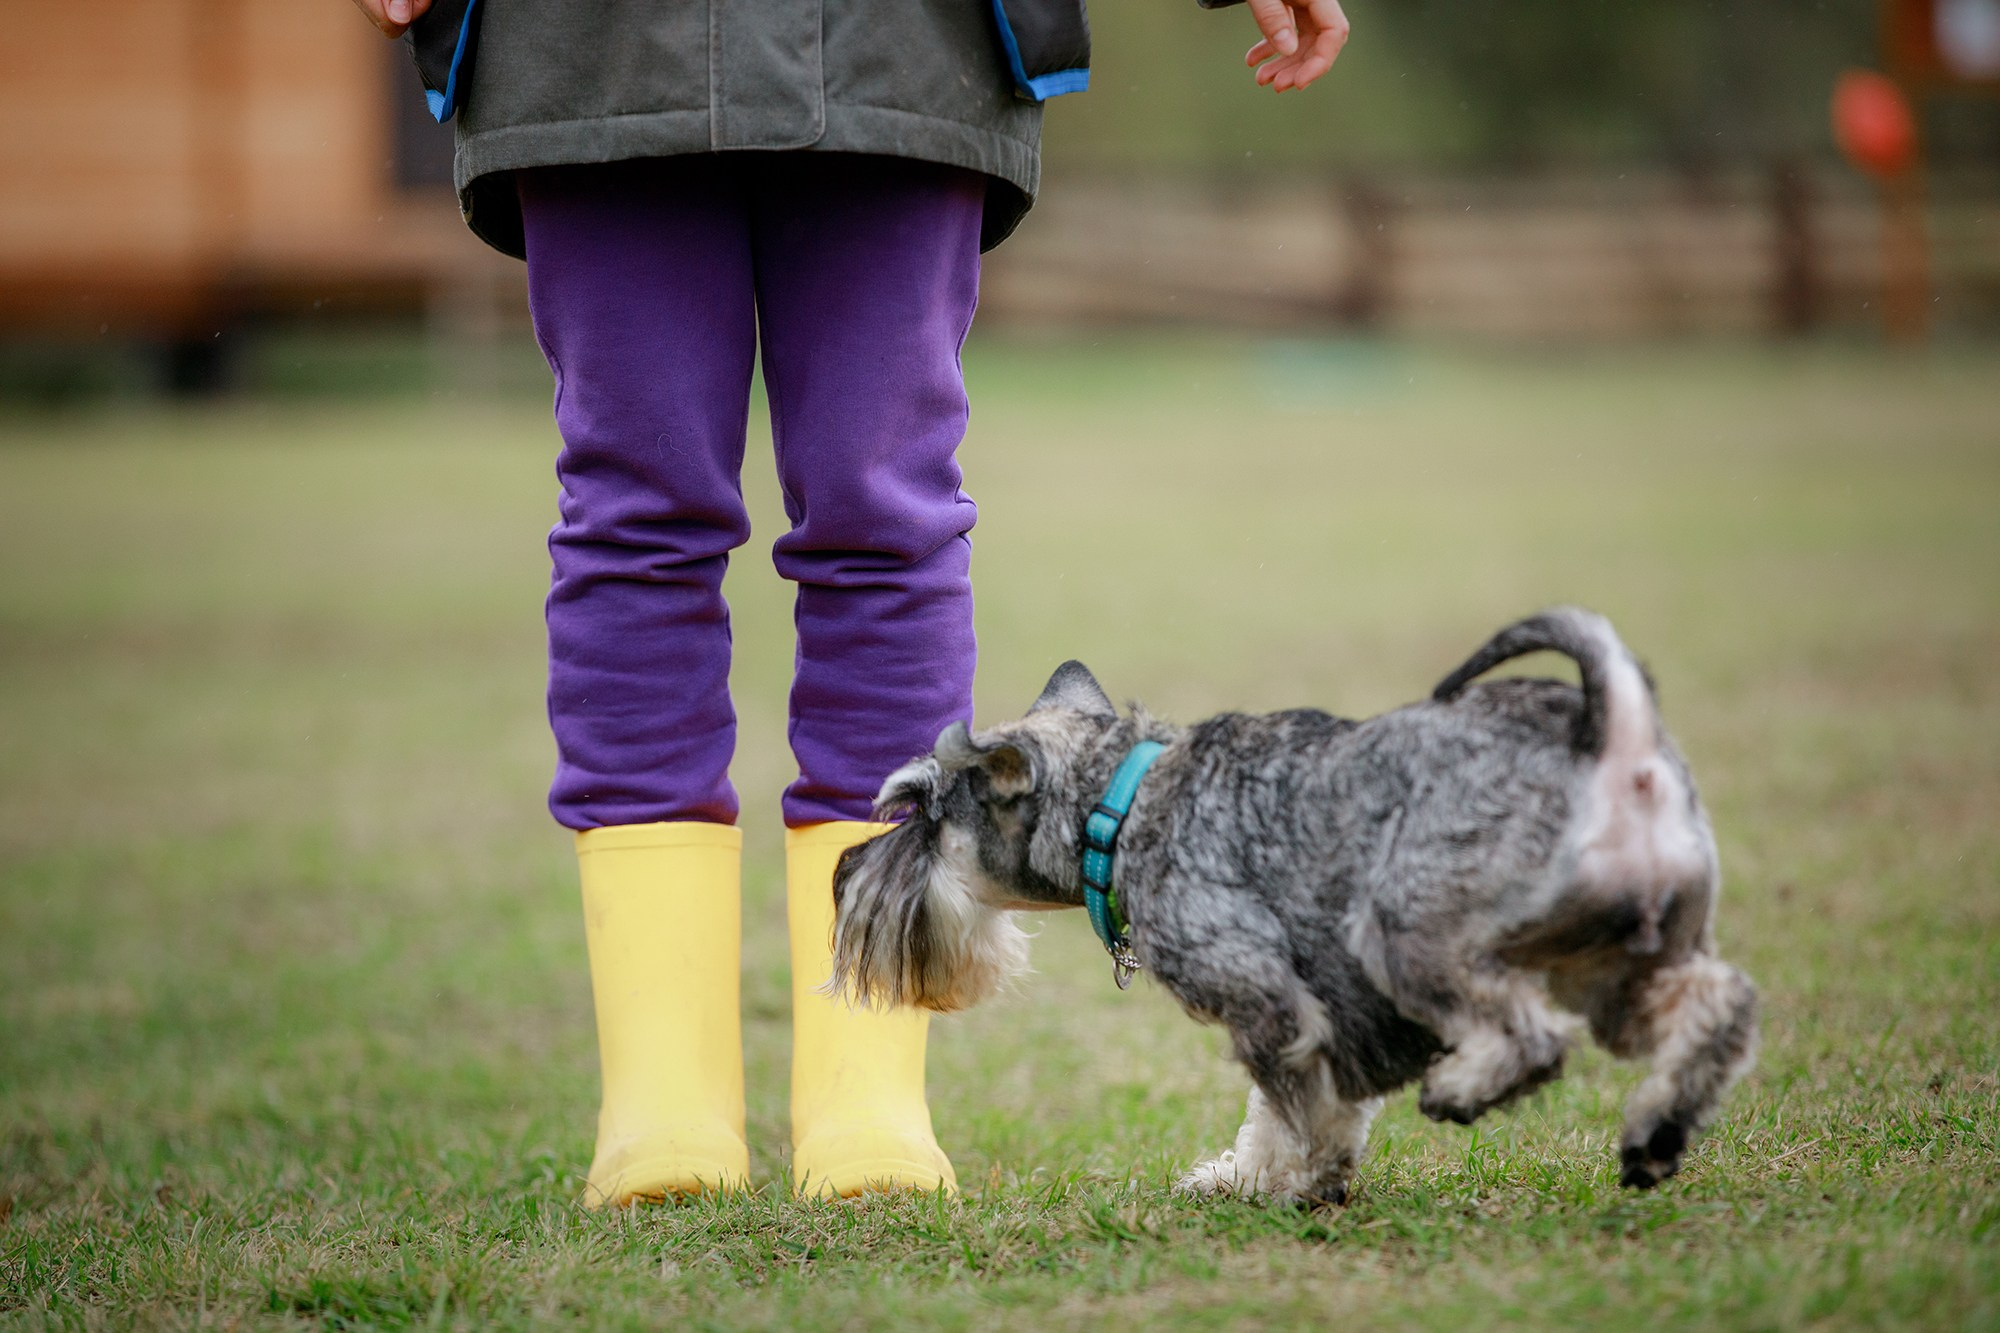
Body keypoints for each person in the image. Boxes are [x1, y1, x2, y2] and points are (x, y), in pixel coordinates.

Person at [349, 0, 1350, 1205]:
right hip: (589, 48)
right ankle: (660, 1096)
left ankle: (865, 1084)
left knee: (882, 526)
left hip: (896, 40)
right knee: (635, 526)